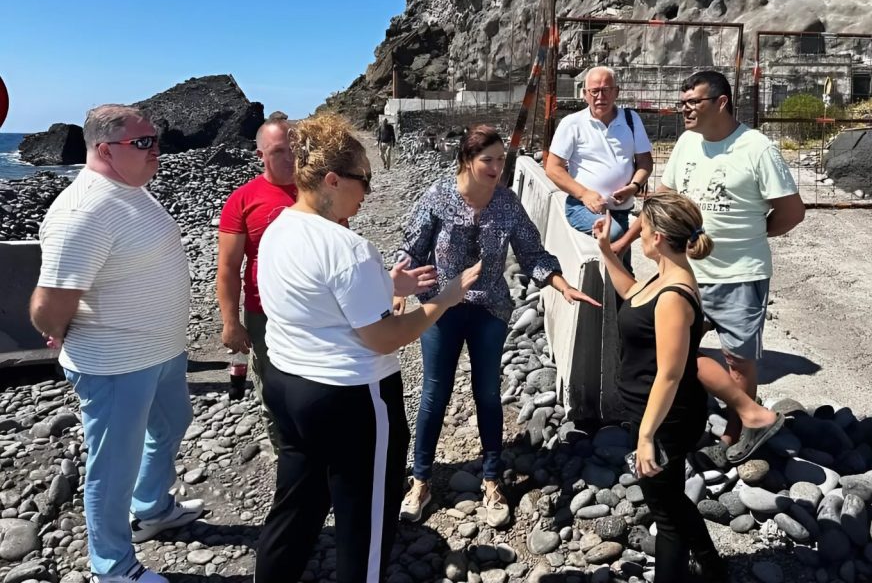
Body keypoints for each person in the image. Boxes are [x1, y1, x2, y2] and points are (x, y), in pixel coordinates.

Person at [253, 113, 475, 583]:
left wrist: (385, 283)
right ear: (331, 180)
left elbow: (316, 299)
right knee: (365, 522)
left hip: (287, 385)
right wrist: (444, 299)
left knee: (297, 504)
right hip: (349, 397)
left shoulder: (277, 229)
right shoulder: (347, 247)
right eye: (363, 180)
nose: (368, 191)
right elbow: (385, 336)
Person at [29, 104, 203, 583]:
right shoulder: (83, 211)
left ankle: (152, 509)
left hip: (160, 348)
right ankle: (113, 567)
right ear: (104, 150)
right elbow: (49, 306)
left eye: (155, 140)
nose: (156, 150)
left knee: (172, 424)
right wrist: (57, 327)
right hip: (115, 360)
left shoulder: (131, 189)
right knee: (113, 464)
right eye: (143, 142)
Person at [398, 124, 599, 528]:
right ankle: (420, 481)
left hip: (489, 309)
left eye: (501, 159)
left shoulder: (507, 202)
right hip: (442, 307)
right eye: (487, 160)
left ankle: (491, 481)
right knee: (434, 394)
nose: (496, 167)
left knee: (488, 395)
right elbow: (412, 246)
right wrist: (397, 288)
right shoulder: (438, 197)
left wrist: (561, 285)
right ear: (466, 161)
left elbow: (531, 250)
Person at [617, 70, 803, 461]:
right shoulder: (687, 142)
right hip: (688, 276)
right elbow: (663, 203)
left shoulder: (756, 148)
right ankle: (707, 420)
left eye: (693, 103)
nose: (684, 110)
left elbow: (791, 212)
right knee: (677, 354)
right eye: (682, 103)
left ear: (721, 103)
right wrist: (623, 241)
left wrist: (750, 235)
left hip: (739, 274)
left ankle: (740, 432)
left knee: (738, 359)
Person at [594, 193, 728, 583]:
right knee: (668, 499)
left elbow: (670, 374)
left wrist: (648, 436)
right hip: (652, 412)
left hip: (666, 418)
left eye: (643, 228)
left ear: (658, 238)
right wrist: (606, 252)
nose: (639, 234)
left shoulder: (674, 295)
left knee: (665, 514)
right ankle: (714, 567)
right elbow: (632, 295)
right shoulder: (664, 277)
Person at [217, 114, 297, 453]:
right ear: (260, 155)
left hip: (319, 310)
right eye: (280, 151)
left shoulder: (322, 189)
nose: (291, 157)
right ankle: (285, 457)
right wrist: (231, 322)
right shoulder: (243, 200)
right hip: (264, 313)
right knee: (273, 388)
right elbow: (228, 266)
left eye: (295, 149)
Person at [545, 66, 653, 268]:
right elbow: (553, 167)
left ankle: (621, 294)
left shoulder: (631, 120)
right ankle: (615, 292)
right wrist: (584, 194)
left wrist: (634, 186)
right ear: (585, 94)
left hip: (621, 208)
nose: (599, 96)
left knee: (623, 256)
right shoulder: (572, 123)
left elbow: (645, 161)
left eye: (606, 90)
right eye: (594, 91)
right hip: (582, 206)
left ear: (616, 92)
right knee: (613, 234)